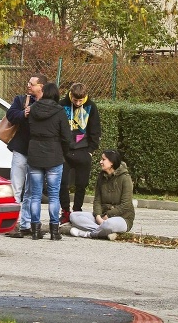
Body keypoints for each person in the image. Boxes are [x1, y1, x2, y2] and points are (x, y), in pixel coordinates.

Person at [5, 74, 48, 238]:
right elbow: (10, 115)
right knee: (16, 188)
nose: (28, 85)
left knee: (32, 191)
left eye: (32, 83)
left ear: (41, 86)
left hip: (37, 153)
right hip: (21, 150)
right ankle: (11, 224)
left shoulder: (47, 104)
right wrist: (24, 113)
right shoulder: (21, 100)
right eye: (28, 82)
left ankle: (25, 224)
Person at [27, 82, 71, 240]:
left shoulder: (33, 109)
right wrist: (64, 152)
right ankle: (54, 231)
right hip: (54, 154)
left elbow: (29, 130)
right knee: (53, 195)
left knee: (35, 195)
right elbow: (66, 136)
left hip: (34, 154)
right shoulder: (59, 111)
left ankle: (35, 230)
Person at [58, 82, 101, 224]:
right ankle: (65, 211)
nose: (77, 103)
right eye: (75, 100)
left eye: (80, 101)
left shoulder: (91, 106)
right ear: (71, 94)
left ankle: (77, 211)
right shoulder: (62, 105)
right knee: (62, 182)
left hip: (83, 150)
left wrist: (91, 150)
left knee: (81, 184)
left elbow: (95, 129)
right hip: (65, 151)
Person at [69, 149, 135, 240]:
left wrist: (108, 215)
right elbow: (97, 200)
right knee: (74, 216)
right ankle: (103, 232)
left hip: (122, 218)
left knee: (109, 224)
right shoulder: (101, 177)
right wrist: (98, 216)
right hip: (102, 216)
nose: (100, 162)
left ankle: (87, 234)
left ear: (111, 162)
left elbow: (126, 205)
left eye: (103, 159)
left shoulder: (125, 178)